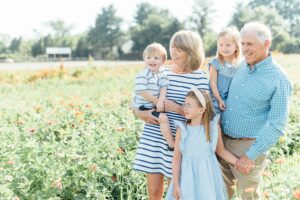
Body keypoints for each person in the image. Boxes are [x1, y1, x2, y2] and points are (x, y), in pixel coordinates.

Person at [132, 30, 209, 200]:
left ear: (191, 51)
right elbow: (136, 99)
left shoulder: (200, 78)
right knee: (153, 194)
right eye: (172, 48)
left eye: (179, 49)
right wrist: (140, 113)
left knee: (175, 194)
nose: (173, 53)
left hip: (177, 143)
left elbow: (204, 115)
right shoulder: (160, 72)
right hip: (153, 137)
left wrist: (177, 109)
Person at [220, 22, 292, 199]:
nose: (244, 49)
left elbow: (277, 125)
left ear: (266, 44)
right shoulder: (241, 66)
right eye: (243, 43)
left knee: (249, 197)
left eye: (249, 44)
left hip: (248, 148)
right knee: (219, 195)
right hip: (222, 144)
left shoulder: (279, 79)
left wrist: (250, 156)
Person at [165, 88, 238, 200]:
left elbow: (221, 151)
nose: (185, 108)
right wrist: (176, 184)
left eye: (189, 105)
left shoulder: (213, 128)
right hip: (186, 178)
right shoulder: (183, 130)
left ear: (201, 109)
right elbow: (176, 159)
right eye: (184, 104)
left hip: (207, 179)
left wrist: (238, 162)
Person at [133, 43, 175, 150]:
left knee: (163, 118)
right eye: (148, 57)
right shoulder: (143, 74)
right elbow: (142, 91)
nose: (152, 60)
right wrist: (157, 101)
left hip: (153, 104)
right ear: (144, 59)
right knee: (164, 118)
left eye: (156, 58)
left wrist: (161, 101)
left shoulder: (161, 73)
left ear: (163, 61)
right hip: (144, 105)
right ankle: (172, 144)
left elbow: (164, 87)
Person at [209, 26, 242, 114]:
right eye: (221, 45)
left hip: (231, 101)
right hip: (215, 98)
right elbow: (213, 83)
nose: (224, 48)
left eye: (228, 45)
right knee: (215, 122)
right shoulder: (215, 63)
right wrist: (219, 100)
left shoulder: (239, 66)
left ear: (236, 47)